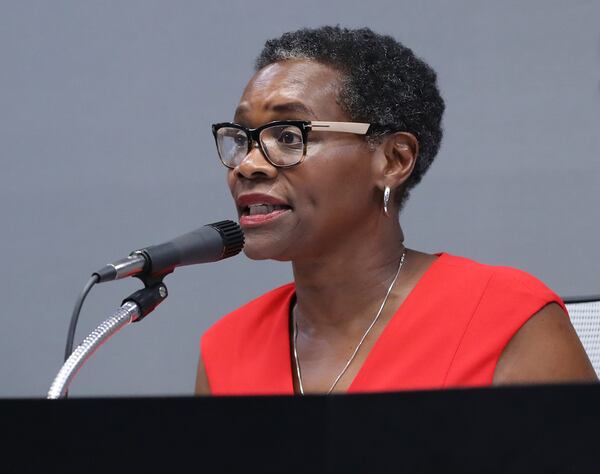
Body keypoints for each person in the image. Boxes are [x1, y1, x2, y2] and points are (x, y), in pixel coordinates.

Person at [195, 26, 596, 395]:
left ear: (393, 159)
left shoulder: (507, 321)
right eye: (242, 139)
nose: (248, 164)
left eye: (287, 135)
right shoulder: (227, 348)